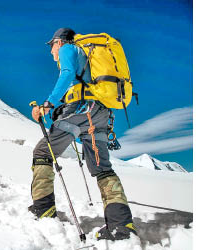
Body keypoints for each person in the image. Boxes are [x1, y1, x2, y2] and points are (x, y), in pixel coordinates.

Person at [28, 28, 137, 241]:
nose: (51, 51)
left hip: (79, 111)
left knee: (43, 152)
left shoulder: (69, 48)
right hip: (100, 115)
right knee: (103, 169)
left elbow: (67, 73)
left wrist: (48, 104)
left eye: (51, 45)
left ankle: (43, 210)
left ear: (58, 42)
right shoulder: (86, 54)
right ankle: (121, 226)